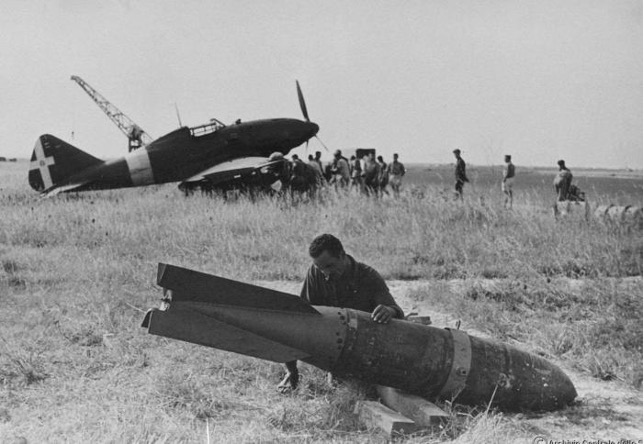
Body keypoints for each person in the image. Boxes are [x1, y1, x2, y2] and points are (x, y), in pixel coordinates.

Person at [277, 234, 404, 392]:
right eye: (320, 269)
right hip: (333, 344)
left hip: (364, 346)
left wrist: (389, 311)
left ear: (342, 255)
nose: (326, 274)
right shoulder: (316, 273)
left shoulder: (368, 276)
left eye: (329, 266)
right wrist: (291, 369)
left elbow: (397, 312)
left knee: (356, 387)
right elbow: (301, 318)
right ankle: (293, 374)